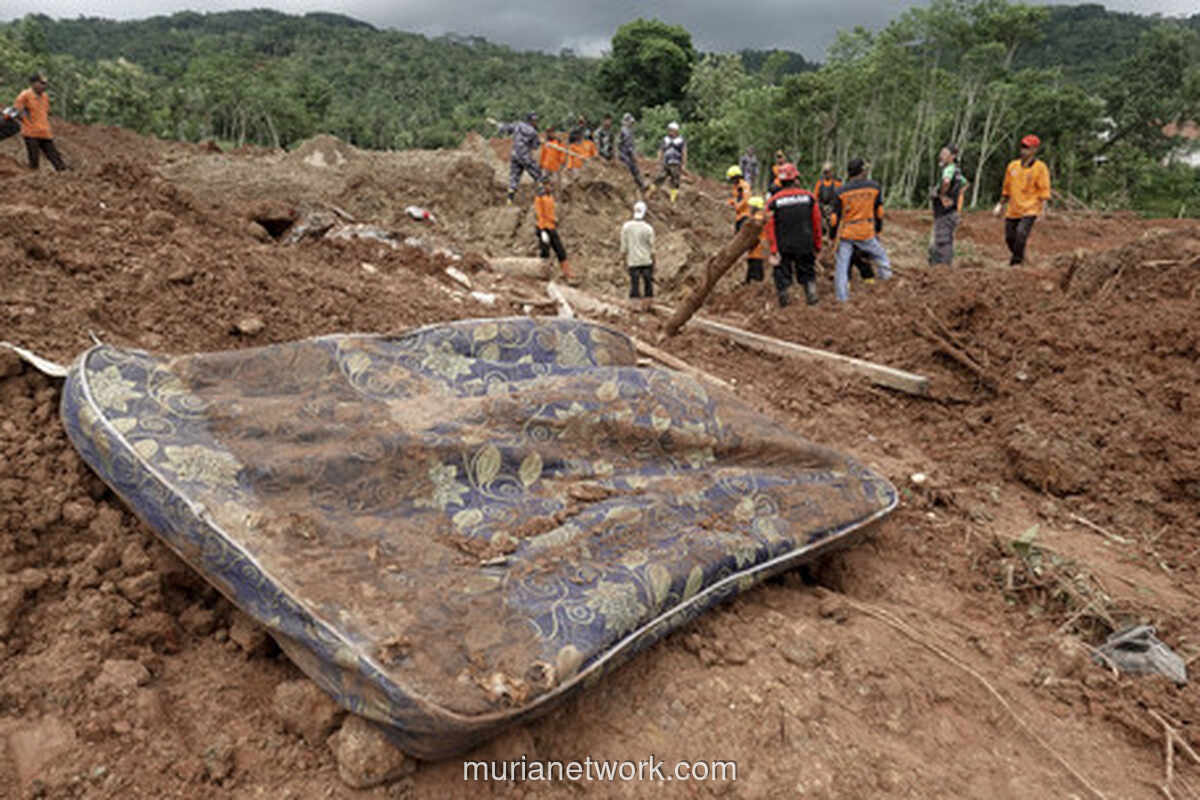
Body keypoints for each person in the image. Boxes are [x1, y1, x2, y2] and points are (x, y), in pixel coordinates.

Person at [830, 157, 893, 303]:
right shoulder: (874, 187)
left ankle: (842, 298)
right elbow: (879, 212)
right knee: (881, 257)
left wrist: (833, 237)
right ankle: (889, 286)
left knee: (842, 266)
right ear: (862, 171)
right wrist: (878, 231)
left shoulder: (841, 191)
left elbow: (834, 219)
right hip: (866, 231)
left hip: (847, 233)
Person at [764, 162, 822, 307]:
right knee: (807, 272)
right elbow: (817, 223)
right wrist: (818, 244)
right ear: (796, 179)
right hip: (805, 243)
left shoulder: (773, 202)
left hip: (784, 246)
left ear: (780, 181)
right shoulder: (809, 198)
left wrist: (773, 249)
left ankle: (785, 301)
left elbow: (769, 227)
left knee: (781, 274)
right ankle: (811, 296)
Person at [994, 134, 1051, 266]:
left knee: (1021, 234)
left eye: (1027, 147)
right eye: (1022, 147)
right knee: (1009, 238)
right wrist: (1000, 204)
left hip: (1030, 209)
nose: (1023, 150)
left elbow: (1044, 190)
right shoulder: (1012, 166)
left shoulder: (1040, 168)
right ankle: (1021, 257)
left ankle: (1016, 263)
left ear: (1034, 150)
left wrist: (1044, 209)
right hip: (1013, 209)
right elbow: (1006, 188)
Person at [13, 73, 67, 172]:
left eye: (45, 83)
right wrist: (27, 121)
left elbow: (45, 112)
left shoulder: (45, 97)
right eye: (41, 83)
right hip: (31, 133)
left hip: (45, 132)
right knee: (34, 160)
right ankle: (34, 180)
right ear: (33, 83)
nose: (44, 86)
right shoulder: (24, 96)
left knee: (55, 158)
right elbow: (17, 111)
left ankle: (64, 174)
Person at [929, 145, 969, 266]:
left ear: (952, 156)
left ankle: (943, 270)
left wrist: (942, 195)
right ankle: (938, 268)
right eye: (941, 153)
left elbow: (946, 182)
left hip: (945, 213)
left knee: (942, 242)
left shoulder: (949, 170)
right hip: (950, 212)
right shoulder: (957, 171)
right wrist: (956, 197)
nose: (941, 156)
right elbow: (966, 184)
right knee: (939, 242)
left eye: (945, 153)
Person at [494, 112, 542, 204]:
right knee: (537, 174)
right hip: (525, 156)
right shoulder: (533, 132)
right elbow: (535, 147)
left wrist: (500, 125)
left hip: (515, 155)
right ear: (532, 121)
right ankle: (543, 195)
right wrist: (539, 142)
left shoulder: (518, 125)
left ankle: (509, 200)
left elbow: (506, 128)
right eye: (535, 121)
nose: (536, 122)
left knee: (514, 178)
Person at [533, 180, 575, 283]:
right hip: (544, 227)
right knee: (545, 252)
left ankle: (567, 273)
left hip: (551, 227)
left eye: (550, 185)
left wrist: (554, 219)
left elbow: (550, 212)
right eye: (547, 185)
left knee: (560, 250)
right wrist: (542, 230)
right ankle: (543, 274)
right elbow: (539, 215)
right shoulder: (540, 198)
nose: (549, 187)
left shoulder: (550, 197)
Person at [619, 200, 656, 309]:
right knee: (648, 283)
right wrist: (654, 261)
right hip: (646, 260)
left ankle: (635, 306)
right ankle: (648, 305)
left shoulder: (626, 227)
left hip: (633, 261)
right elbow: (652, 248)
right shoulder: (648, 228)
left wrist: (622, 259)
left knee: (634, 283)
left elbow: (624, 246)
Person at [648, 121, 686, 204]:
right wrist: (658, 160)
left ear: (676, 131)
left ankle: (672, 199)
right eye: (669, 130)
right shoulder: (666, 139)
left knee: (675, 180)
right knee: (660, 177)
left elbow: (684, 152)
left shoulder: (680, 140)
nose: (670, 132)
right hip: (666, 162)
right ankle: (650, 193)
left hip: (675, 163)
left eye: (672, 130)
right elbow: (661, 150)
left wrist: (683, 164)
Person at [813, 162, 842, 239]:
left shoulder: (837, 183)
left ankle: (833, 237)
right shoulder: (819, 183)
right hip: (822, 208)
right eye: (825, 172)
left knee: (834, 220)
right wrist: (822, 207)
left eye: (828, 172)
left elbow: (840, 197)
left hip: (833, 208)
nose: (827, 174)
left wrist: (833, 208)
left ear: (832, 172)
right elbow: (815, 198)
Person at [617, 113, 645, 193]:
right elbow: (624, 144)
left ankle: (641, 185)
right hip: (624, 153)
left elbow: (631, 144)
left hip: (627, 153)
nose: (631, 124)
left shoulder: (629, 131)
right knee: (630, 168)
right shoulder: (624, 131)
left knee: (634, 168)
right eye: (630, 122)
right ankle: (635, 186)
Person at [744, 196, 768, 283]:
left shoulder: (759, 216)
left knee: (756, 265)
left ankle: (755, 283)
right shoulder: (757, 215)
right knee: (752, 263)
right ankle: (749, 281)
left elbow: (756, 225)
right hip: (755, 246)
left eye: (751, 206)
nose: (749, 208)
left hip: (758, 246)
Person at [726, 165, 751, 233]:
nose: (732, 181)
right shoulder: (735, 186)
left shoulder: (745, 186)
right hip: (738, 216)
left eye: (732, 179)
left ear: (736, 177)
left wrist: (737, 206)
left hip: (745, 215)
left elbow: (746, 199)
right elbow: (735, 198)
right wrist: (730, 202)